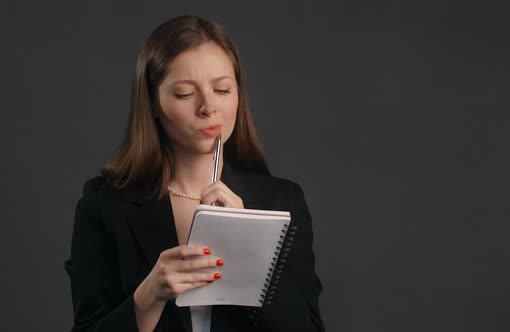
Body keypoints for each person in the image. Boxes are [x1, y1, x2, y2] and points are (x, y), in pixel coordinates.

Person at [64, 15, 324, 332]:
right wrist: (149, 296)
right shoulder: (104, 204)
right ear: (154, 104)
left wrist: (249, 247)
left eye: (222, 89)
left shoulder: (283, 200)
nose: (208, 107)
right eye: (186, 94)